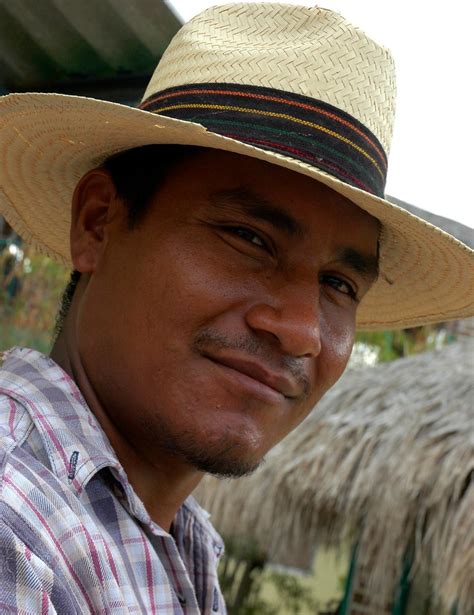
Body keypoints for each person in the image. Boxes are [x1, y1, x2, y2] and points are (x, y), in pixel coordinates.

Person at [0, 3, 472, 613]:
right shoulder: (19, 528)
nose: (301, 331)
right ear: (97, 224)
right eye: (249, 239)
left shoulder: (174, 542)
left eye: (339, 284)